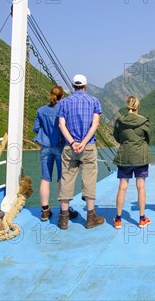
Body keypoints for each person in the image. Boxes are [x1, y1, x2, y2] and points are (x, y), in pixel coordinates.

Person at [57, 74, 105, 230]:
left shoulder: (64, 102)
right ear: (86, 85)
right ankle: (91, 217)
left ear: (73, 86)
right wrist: (83, 143)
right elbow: (95, 124)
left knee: (66, 179)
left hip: (69, 147)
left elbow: (61, 125)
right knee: (89, 180)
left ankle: (63, 218)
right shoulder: (93, 101)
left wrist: (73, 142)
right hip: (88, 146)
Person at [33, 85, 78, 221]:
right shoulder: (64, 109)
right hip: (60, 147)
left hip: (45, 147)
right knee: (61, 179)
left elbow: (36, 128)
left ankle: (45, 211)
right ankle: (64, 209)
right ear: (62, 96)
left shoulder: (41, 111)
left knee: (45, 178)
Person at [112, 95, 153, 229]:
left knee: (122, 186)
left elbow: (117, 137)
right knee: (140, 186)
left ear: (126, 106)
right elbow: (148, 138)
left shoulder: (120, 121)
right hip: (140, 157)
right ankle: (142, 219)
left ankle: (118, 219)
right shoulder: (144, 122)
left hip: (124, 156)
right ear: (137, 107)